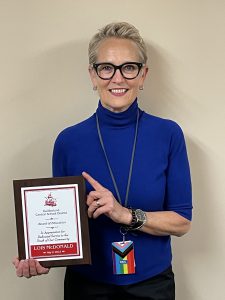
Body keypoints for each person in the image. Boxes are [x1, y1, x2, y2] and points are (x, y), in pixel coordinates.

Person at [13, 22, 192, 299]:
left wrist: (125, 215)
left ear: (143, 75)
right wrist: (43, 256)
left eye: (129, 67)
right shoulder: (68, 141)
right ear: (92, 76)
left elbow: (182, 221)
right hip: (86, 286)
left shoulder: (168, 134)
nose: (117, 78)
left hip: (153, 285)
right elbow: (61, 223)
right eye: (106, 68)